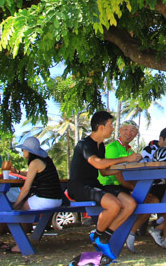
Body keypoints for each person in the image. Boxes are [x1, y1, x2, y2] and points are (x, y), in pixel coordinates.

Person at [67, 111, 141, 261]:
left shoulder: (100, 147)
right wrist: (126, 158)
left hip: (94, 184)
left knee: (130, 204)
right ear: (101, 127)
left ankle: (103, 235)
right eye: (110, 125)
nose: (112, 129)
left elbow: (105, 171)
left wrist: (125, 166)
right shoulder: (84, 145)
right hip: (79, 186)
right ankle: (100, 236)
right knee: (114, 205)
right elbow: (98, 163)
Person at [0, 137, 63, 253]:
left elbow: (25, 189)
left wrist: (17, 205)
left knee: (12, 210)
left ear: (29, 151)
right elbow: (32, 174)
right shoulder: (45, 160)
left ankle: (21, 244)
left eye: (24, 150)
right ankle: (9, 240)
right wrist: (18, 172)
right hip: (57, 199)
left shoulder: (34, 163)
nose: (23, 152)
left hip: (46, 199)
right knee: (10, 208)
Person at [98, 120, 159, 254]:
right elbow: (118, 175)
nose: (129, 133)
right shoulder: (112, 148)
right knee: (134, 203)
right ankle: (106, 237)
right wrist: (134, 189)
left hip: (124, 188)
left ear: (136, 134)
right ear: (119, 131)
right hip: (109, 187)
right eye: (126, 129)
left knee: (154, 201)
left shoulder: (131, 151)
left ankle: (131, 232)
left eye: (132, 131)